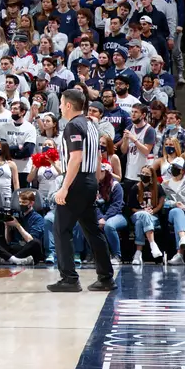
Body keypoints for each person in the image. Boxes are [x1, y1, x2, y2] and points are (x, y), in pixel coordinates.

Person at [49, 86, 114, 292]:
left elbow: (76, 158)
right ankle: (106, 278)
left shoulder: (72, 126)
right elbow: (96, 157)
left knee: (61, 229)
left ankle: (69, 278)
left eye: (61, 102)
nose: (59, 106)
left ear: (68, 105)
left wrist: (64, 188)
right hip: (89, 181)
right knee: (93, 231)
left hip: (76, 182)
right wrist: (94, 183)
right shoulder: (92, 124)